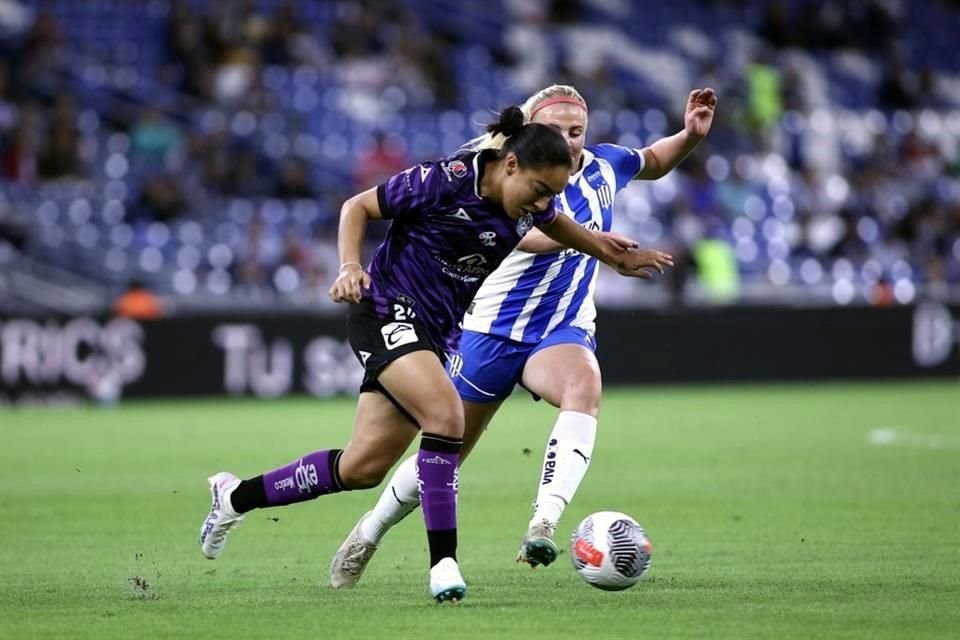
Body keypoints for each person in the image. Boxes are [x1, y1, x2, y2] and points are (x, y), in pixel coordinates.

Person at [198, 106, 674, 603]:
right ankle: (443, 564)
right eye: (539, 189)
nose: (544, 202)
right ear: (509, 165)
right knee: (447, 419)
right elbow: (355, 207)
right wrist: (348, 266)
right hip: (385, 309)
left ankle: (234, 497)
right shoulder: (443, 181)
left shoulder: (531, 205)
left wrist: (613, 254)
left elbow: (561, 226)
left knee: (362, 468)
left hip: (437, 332)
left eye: (552, 194)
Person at [329, 84, 716, 588]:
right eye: (556, 130)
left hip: (560, 329)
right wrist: (596, 243)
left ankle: (544, 523)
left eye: (577, 131)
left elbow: (652, 160)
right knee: (445, 451)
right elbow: (530, 232)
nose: (569, 142)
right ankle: (369, 531)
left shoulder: (604, 166)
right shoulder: (499, 174)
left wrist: (689, 135)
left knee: (584, 387)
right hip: (490, 329)